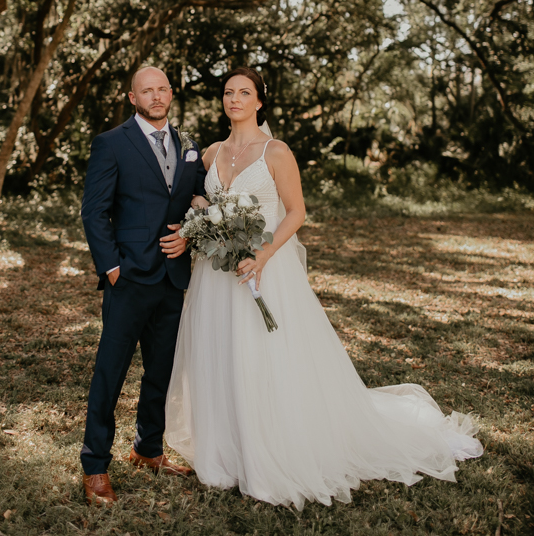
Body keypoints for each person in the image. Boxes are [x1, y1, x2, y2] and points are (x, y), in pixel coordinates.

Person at [165, 66, 483, 510]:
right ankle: (225, 450)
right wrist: (202, 214)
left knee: (264, 356)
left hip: (264, 269)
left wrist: (263, 255)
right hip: (218, 276)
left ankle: (270, 449)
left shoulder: (275, 151)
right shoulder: (212, 152)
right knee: (220, 353)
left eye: (244, 92)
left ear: (259, 101)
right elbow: (197, 199)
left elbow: (296, 212)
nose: (234, 99)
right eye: (228, 92)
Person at [79, 66, 206, 505]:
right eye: (145, 91)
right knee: (110, 373)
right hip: (128, 278)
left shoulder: (189, 146)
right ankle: (94, 465)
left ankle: (147, 449)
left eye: (161, 89)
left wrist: (190, 231)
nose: (155, 96)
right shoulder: (111, 143)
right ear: (131, 98)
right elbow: (93, 212)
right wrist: (111, 268)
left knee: (160, 371)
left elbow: (200, 199)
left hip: (173, 277)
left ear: (171, 93)